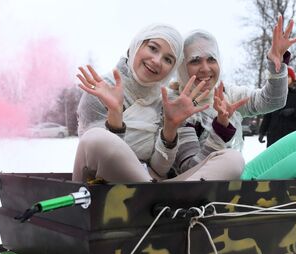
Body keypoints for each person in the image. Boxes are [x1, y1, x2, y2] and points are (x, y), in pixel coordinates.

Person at [73, 24, 244, 183]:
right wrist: (115, 116)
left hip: (156, 185)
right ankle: (159, 199)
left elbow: (160, 169)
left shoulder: (165, 102)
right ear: (136, 45)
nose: (156, 61)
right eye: (153, 48)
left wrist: (170, 127)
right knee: (96, 137)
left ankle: (163, 199)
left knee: (232, 160)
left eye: (168, 59)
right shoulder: (103, 89)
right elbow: (99, 157)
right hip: (105, 186)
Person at [170, 17, 296, 175]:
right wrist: (220, 129)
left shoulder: (226, 93)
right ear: (181, 66)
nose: (205, 68)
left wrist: (278, 64)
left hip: (237, 177)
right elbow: (190, 172)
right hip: (214, 191)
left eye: (212, 59)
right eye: (195, 61)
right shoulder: (175, 106)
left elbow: (272, 101)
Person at [258, 66, 296, 147]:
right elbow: (268, 115)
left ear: (292, 79)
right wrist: (262, 131)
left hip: (292, 136)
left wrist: (293, 111)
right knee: (274, 159)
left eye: (288, 77)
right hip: (274, 136)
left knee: (291, 159)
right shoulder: (273, 94)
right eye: (283, 77)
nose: (285, 79)